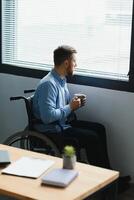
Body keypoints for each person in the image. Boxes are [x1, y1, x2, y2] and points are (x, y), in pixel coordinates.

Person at [32, 45, 130, 191]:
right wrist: (70, 107)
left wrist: (74, 103)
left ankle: (109, 177)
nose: (76, 65)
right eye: (74, 61)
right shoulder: (49, 84)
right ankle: (107, 185)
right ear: (66, 63)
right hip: (52, 130)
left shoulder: (60, 80)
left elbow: (62, 108)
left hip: (63, 124)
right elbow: (47, 117)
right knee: (91, 137)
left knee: (99, 128)